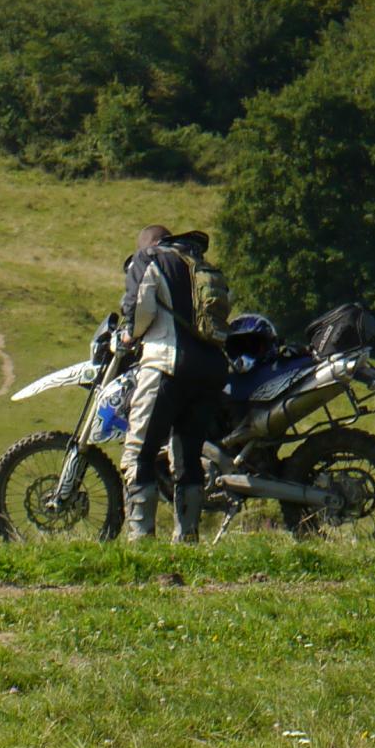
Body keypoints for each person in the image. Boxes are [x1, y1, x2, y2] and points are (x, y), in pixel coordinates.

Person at [114, 223, 229, 541]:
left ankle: (141, 540)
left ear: (148, 244)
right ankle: (187, 539)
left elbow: (140, 309)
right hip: (208, 372)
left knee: (139, 453)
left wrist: (128, 334)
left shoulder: (149, 259)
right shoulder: (199, 264)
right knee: (188, 458)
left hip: (165, 365)